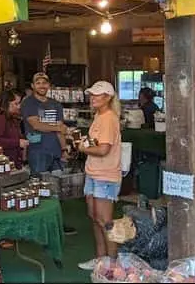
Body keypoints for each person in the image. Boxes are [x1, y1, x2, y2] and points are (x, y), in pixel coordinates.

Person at [21, 72, 75, 235]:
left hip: (55, 152)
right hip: (38, 152)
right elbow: (36, 125)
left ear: (49, 85)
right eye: (38, 82)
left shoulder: (56, 104)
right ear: (32, 86)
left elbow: (60, 129)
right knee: (37, 188)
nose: (42, 86)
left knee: (56, 189)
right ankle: (37, 225)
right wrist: (58, 127)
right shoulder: (28, 103)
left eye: (44, 83)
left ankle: (56, 224)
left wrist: (64, 149)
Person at [76, 81, 123, 270]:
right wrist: (84, 142)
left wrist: (82, 148)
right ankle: (101, 259)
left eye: (97, 95)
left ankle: (112, 264)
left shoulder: (109, 118)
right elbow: (95, 142)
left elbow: (103, 149)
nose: (93, 97)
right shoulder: (99, 116)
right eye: (92, 94)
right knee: (94, 217)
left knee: (104, 220)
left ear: (108, 98)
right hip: (93, 172)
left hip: (106, 175)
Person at [0, 89, 28, 169]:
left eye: (19, 103)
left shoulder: (10, 117)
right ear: (6, 104)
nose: (19, 106)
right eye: (16, 103)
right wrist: (17, 142)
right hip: (1, 165)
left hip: (9, 163)